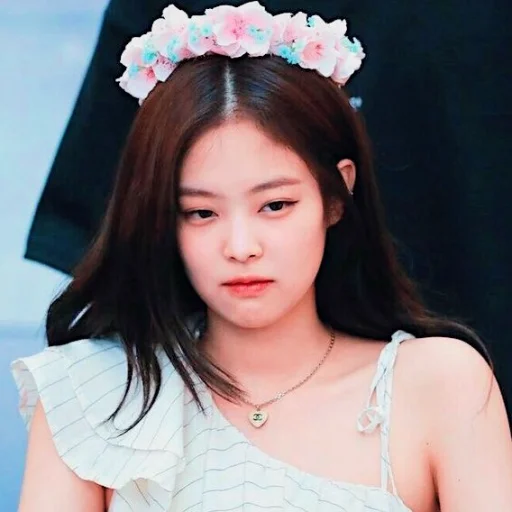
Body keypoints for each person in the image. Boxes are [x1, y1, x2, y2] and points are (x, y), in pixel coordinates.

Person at [12, 3, 512, 511]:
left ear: (336, 194)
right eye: (201, 213)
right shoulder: (92, 393)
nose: (241, 247)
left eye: (275, 205)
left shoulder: (438, 385)